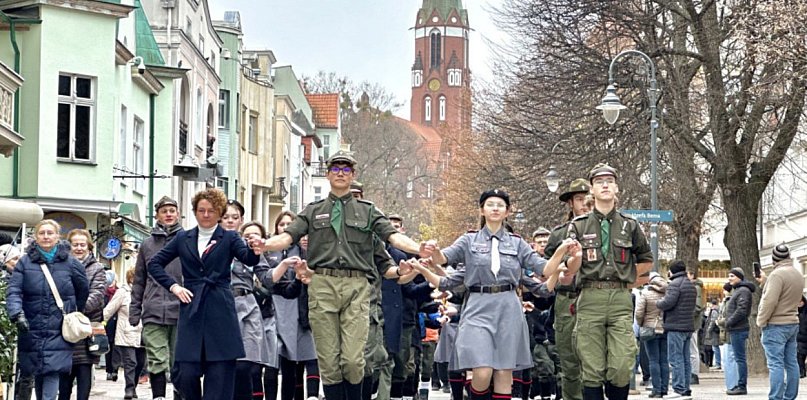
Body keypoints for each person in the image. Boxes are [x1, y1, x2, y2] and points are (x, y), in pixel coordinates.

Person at [251, 151, 429, 400]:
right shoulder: (313, 211)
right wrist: (265, 245)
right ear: (328, 174)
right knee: (328, 359)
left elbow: (393, 237)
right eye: (336, 169)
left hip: (356, 286)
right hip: (322, 283)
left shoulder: (368, 211)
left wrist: (417, 249)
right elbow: (287, 236)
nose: (341, 173)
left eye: (346, 169)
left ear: (353, 175)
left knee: (354, 361)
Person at [415, 189, 573, 399]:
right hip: (478, 305)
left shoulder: (517, 243)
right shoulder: (469, 240)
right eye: (490, 204)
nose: (495, 208)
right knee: (482, 370)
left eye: (500, 205)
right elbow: (443, 258)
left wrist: (562, 251)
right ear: (482, 209)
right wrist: (432, 250)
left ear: (508, 211)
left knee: (504, 371)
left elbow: (544, 269)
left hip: (508, 306)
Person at [147, 188, 261, 400]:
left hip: (220, 307)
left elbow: (249, 259)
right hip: (192, 308)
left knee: (219, 375)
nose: (206, 215)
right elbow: (154, 264)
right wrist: (174, 287)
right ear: (194, 212)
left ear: (219, 213)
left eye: (211, 210)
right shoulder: (183, 238)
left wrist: (256, 248)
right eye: (201, 210)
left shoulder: (229, 238)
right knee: (186, 374)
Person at [563, 164, 653, 400]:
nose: (605, 185)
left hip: (620, 299)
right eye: (599, 181)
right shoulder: (579, 225)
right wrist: (575, 259)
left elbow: (646, 260)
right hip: (590, 297)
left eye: (609, 181)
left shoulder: (629, 225)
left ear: (616, 188)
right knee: (592, 367)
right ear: (592, 189)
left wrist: (627, 277)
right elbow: (569, 267)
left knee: (622, 364)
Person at [7, 220, 90, 400]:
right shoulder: (24, 263)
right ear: (35, 237)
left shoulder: (71, 263)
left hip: (58, 326)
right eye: (41, 233)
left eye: (49, 233)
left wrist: (76, 312)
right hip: (31, 325)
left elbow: (83, 289)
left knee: (53, 370)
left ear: (57, 236)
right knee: (37, 370)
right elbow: (14, 290)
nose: (46, 236)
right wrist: (16, 313)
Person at [220, 200, 280, 400]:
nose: (230, 221)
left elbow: (266, 277)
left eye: (234, 217)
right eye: (226, 217)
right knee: (223, 366)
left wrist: (285, 267)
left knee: (246, 365)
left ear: (241, 221)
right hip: (221, 306)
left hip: (246, 305)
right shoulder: (210, 244)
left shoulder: (248, 247)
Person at [129, 195, 184, 400]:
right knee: (156, 358)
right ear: (157, 215)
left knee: (178, 360)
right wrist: (135, 310)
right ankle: (158, 396)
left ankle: (180, 395)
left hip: (180, 309)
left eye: (172, 210)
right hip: (153, 310)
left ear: (178, 213)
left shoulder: (187, 240)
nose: (168, 214)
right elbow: (139, 280)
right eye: (164, 211)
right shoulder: (147, 245)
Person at [543, 177, 591, 400]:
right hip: (567, 299)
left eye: (587, 199)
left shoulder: (603, 230)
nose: (584, 204)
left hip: (595, 297)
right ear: (570, 203)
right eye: (579, 199)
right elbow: (545, 267)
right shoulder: (559, 234)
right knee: (569, 360)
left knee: (596, 361)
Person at [269, 211, 318, 400]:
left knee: (306, 354)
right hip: (277, 309)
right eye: (282, 224)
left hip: (302, 309)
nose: (285, 227)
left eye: (290, 224)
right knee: (281, 359)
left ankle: (310, 395)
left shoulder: (305, 253)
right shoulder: (270, 252)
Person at [58, 229, 107, 400]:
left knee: (84, 376)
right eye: (75, 244)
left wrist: (74, 312)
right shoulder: (60, 266)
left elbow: (97, 295)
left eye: (82, 244)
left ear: (89, 247)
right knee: (64, 382)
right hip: (64, 329)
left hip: (87, 328)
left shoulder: (97, 268)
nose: (79, 248)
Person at [757, 244, 804, 400]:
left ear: (773, 259)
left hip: (776, 324)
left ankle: (776, 397)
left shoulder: (777, 275)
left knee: (775, 364)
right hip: (792, 322)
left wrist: (761, 321)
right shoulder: (797, 274)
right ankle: (790, 396)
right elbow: (787, 295)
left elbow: (770, 301)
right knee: (792, 362)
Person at [656, 260, 697, 399]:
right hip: (687, 326)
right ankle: (685, 388)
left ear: (671, 271)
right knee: (685, 359)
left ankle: (678, 389)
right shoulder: (690, 284)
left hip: (675, 326)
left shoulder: (674, 284)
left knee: (675, 358)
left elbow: (668, 303)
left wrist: (658, 302)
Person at [104, 268, 144, 399]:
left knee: (141, 363)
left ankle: (134, 387)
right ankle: (129, 389)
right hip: (126, 333)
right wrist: (99, 324)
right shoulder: (123, 292)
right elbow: (109, 310)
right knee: (130, 362)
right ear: (131, 279)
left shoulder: (148, 292)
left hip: (143, 334)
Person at [721, 267, 755, 395]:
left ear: (739, 277)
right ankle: (738, 385)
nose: (729, 278)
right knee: (738, 358)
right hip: (736, 328)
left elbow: (741, 310)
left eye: (732, 276)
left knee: (740, 359)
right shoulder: (738, 290)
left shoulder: (743, 291)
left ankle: (741, 385)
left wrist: (728, 322)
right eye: (729, 276)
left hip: (738, 329)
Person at [634, 272, 668, 398]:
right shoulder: (668, 293)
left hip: (649, 328)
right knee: (664, 360)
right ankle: (664, 388)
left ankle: (656, 389)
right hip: (665, 328)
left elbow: (639, 313)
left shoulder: (646, 293)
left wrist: (642, 323)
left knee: (653, 360)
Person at [686, 270, 704, 385]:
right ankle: (692, 373)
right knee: (690, 348)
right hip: (690, 321)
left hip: (692, 322)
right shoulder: (694, 287)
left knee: (692, 348)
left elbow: (697, 307)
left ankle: (694, 373)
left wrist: (685, 313)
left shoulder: (695, 288)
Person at [704, 300, 721, 369]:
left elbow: (713, 321)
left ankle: (718, 363)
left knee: (715, 347)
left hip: (713, 332)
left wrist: (709, 329)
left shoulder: (714, 311)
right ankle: (717, 363)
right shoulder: (717, 309)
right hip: (715, 331)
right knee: (715, 347)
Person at [797, 296, 807, 379]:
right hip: (800, 337)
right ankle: (801, 371)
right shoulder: (795, 313)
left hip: (803, 336)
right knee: (800, 355)